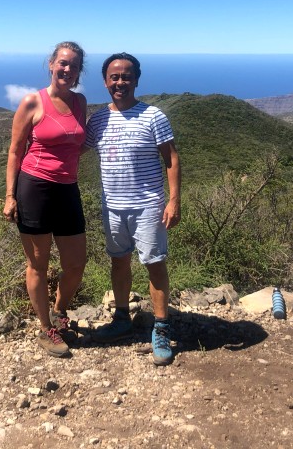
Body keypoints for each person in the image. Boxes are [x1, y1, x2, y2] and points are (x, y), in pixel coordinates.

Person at [85, 52, 182, 366]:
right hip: (112, 207)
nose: (120, 82)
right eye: (114, 77)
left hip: (147, 207)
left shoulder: (153, 116)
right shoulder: (98, 119)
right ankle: (122, 318)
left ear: (136, 80)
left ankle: (162, 328)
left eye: (126, 76)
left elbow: (171, 159)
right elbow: (75, 150)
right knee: (119, 263)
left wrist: (174, 200)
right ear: (105, 81)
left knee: (154, 264)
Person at [4, 42, 88, 357]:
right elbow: (15, 151)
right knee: (38, 264)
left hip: (68, 189)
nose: (67, 70)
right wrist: (10, 195)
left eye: (74, 66)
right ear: (51, 64)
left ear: (80, 72)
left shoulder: (80, 102)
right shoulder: (32, 102)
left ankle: (58, 310)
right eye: (63, 63)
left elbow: (79, 142)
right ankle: (45, 328)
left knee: (76, 263)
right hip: (34, 188)